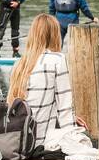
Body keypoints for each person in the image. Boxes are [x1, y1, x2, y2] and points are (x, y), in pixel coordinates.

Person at [6, 14, 87, 148]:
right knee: (88, 140)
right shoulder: (58, 60)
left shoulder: (19, 64)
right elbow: (64, 107)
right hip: (40, 142)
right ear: (55, 34)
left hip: (17, 141)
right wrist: (72, 130)